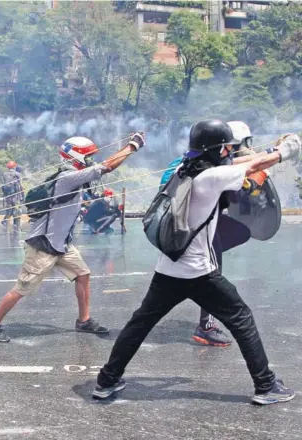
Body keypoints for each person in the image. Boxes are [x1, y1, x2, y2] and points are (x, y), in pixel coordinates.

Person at [94, 120, 300, 405]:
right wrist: (282, 152)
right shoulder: (212, 177)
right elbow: (250, 168)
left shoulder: (183, 170)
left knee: (139, 324)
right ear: (215, 150)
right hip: (198, 272)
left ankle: (106, 381)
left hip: (168, 267)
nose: (230, 150)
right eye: (226, 146)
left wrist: (269, 148)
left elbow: (240, 159)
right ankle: (265, 386)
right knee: (242, 319)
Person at [0, 133, 146, 342]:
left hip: (62, 244)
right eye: (87, 157)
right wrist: (132, 146)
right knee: (23, 288)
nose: (90, 161)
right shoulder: (67, 177)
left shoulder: (74, 178)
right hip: (43, 245)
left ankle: (83, 320)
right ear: (76, 157)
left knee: (83, 274)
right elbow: (106, 167)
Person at [158, 121, 255, 347]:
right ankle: (206, 326)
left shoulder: (190, 162)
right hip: (197, 231)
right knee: (211, 273)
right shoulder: (211, 170)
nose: (233, 151)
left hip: (181, 227)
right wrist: (249, 186)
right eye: (233, 147)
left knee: (239, 234)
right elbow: (232, 200)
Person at [1, 161, 24, 233]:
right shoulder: (17, 174)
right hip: (16, 196)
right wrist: (22, 195)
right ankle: (17, 229)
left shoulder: (5, 174)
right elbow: (21, 185)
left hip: (8, 196)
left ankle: (6, 226)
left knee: (9, 211)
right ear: (14, 166)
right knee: (17, 211)